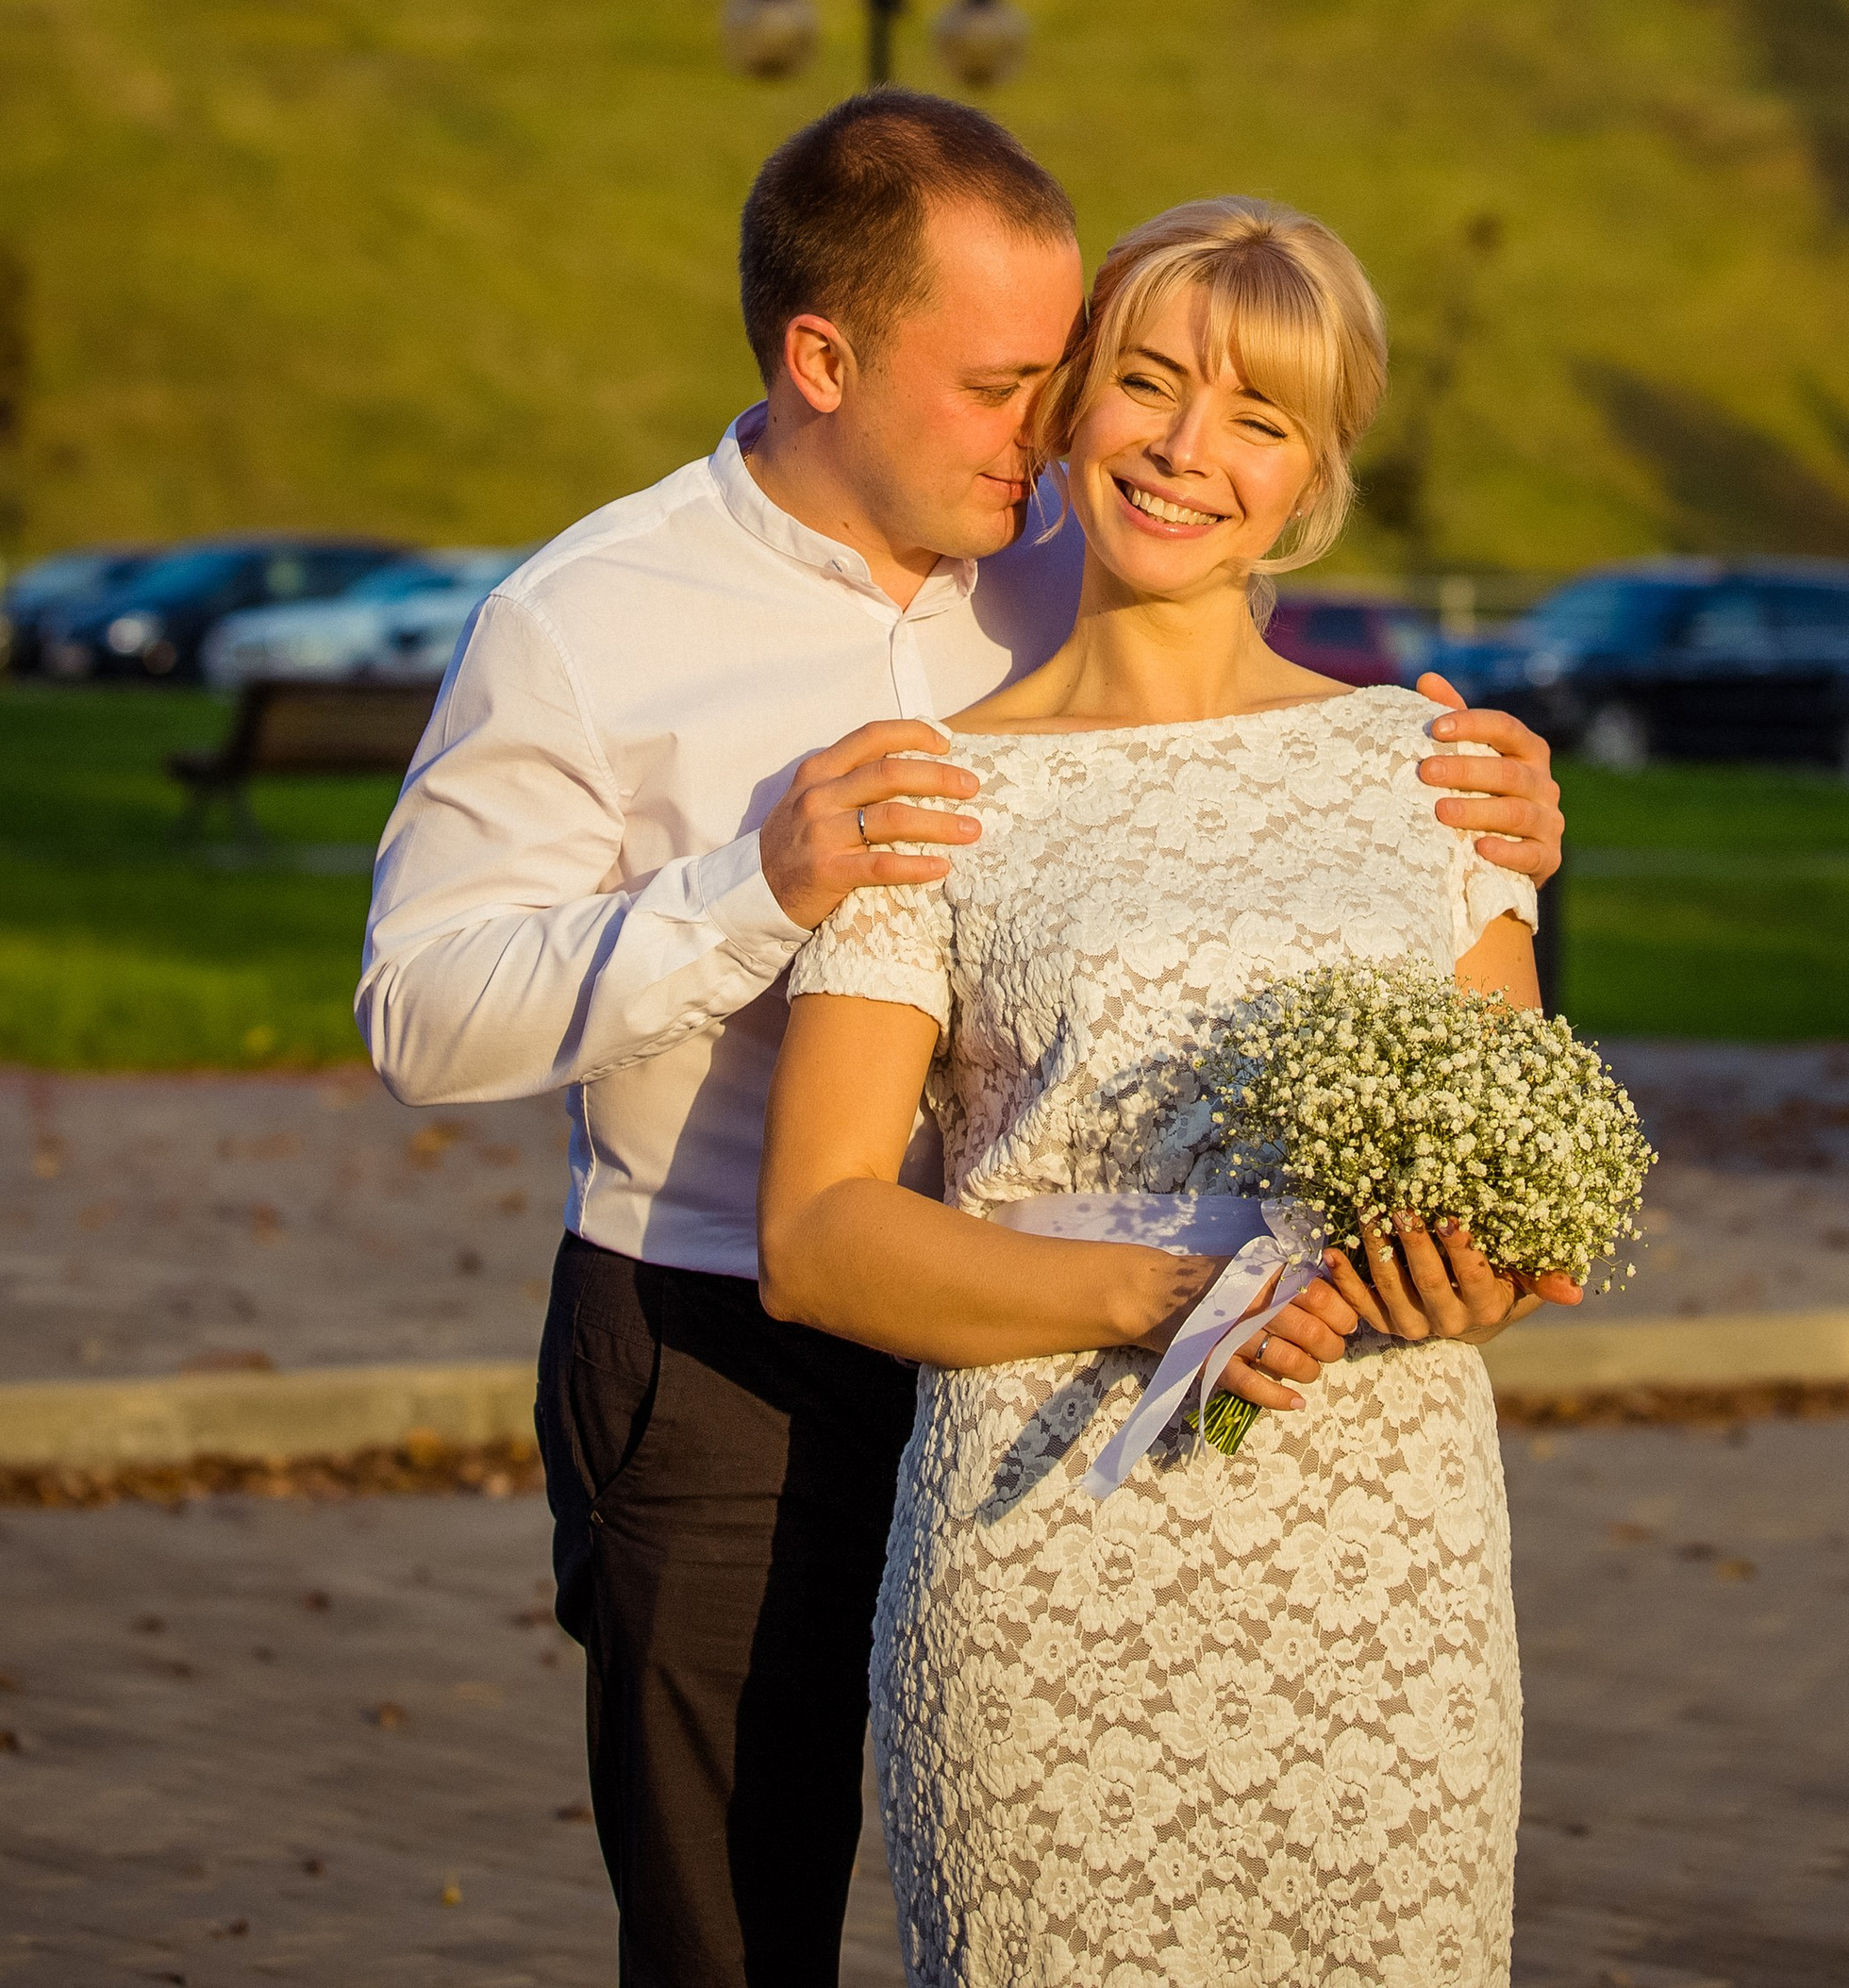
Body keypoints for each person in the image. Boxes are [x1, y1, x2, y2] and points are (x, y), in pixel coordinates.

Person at [356, 95, 1565, 1988]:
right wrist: (753, 891)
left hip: (1143, 1390)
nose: (1059, 430)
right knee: (737, 1931)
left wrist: (1481, 829)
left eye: (1055, 376)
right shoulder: (586, 620)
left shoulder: (1050, 539)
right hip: (717, 1341)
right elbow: (420, 1014)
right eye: (1019, 384)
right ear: (824, 362)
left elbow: (1244, 709)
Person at [758, 194, 1582, 1988]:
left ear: (1313, 475)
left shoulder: (1431, 772)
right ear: (1068, 408)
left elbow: (1522, 1209)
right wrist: (1162, 1294)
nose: (1188, 450)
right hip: (1047, 1566)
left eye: (1259, 418)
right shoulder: (926, 793)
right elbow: (819, 1239)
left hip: (1383, 1591)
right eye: (1147, 383)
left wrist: (1477, 1281)